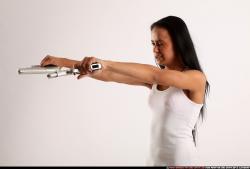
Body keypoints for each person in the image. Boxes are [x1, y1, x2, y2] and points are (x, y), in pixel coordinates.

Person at [40, 15, 210, 166]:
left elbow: (155, 75)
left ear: (179, 44)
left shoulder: (195, 78)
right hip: (155, 160)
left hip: (183, 161)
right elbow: (109, 74)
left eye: (160, 44)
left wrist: (105, 62)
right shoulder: (157, 79)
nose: (154, 50)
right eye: (152, 44)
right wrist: (61, 61)